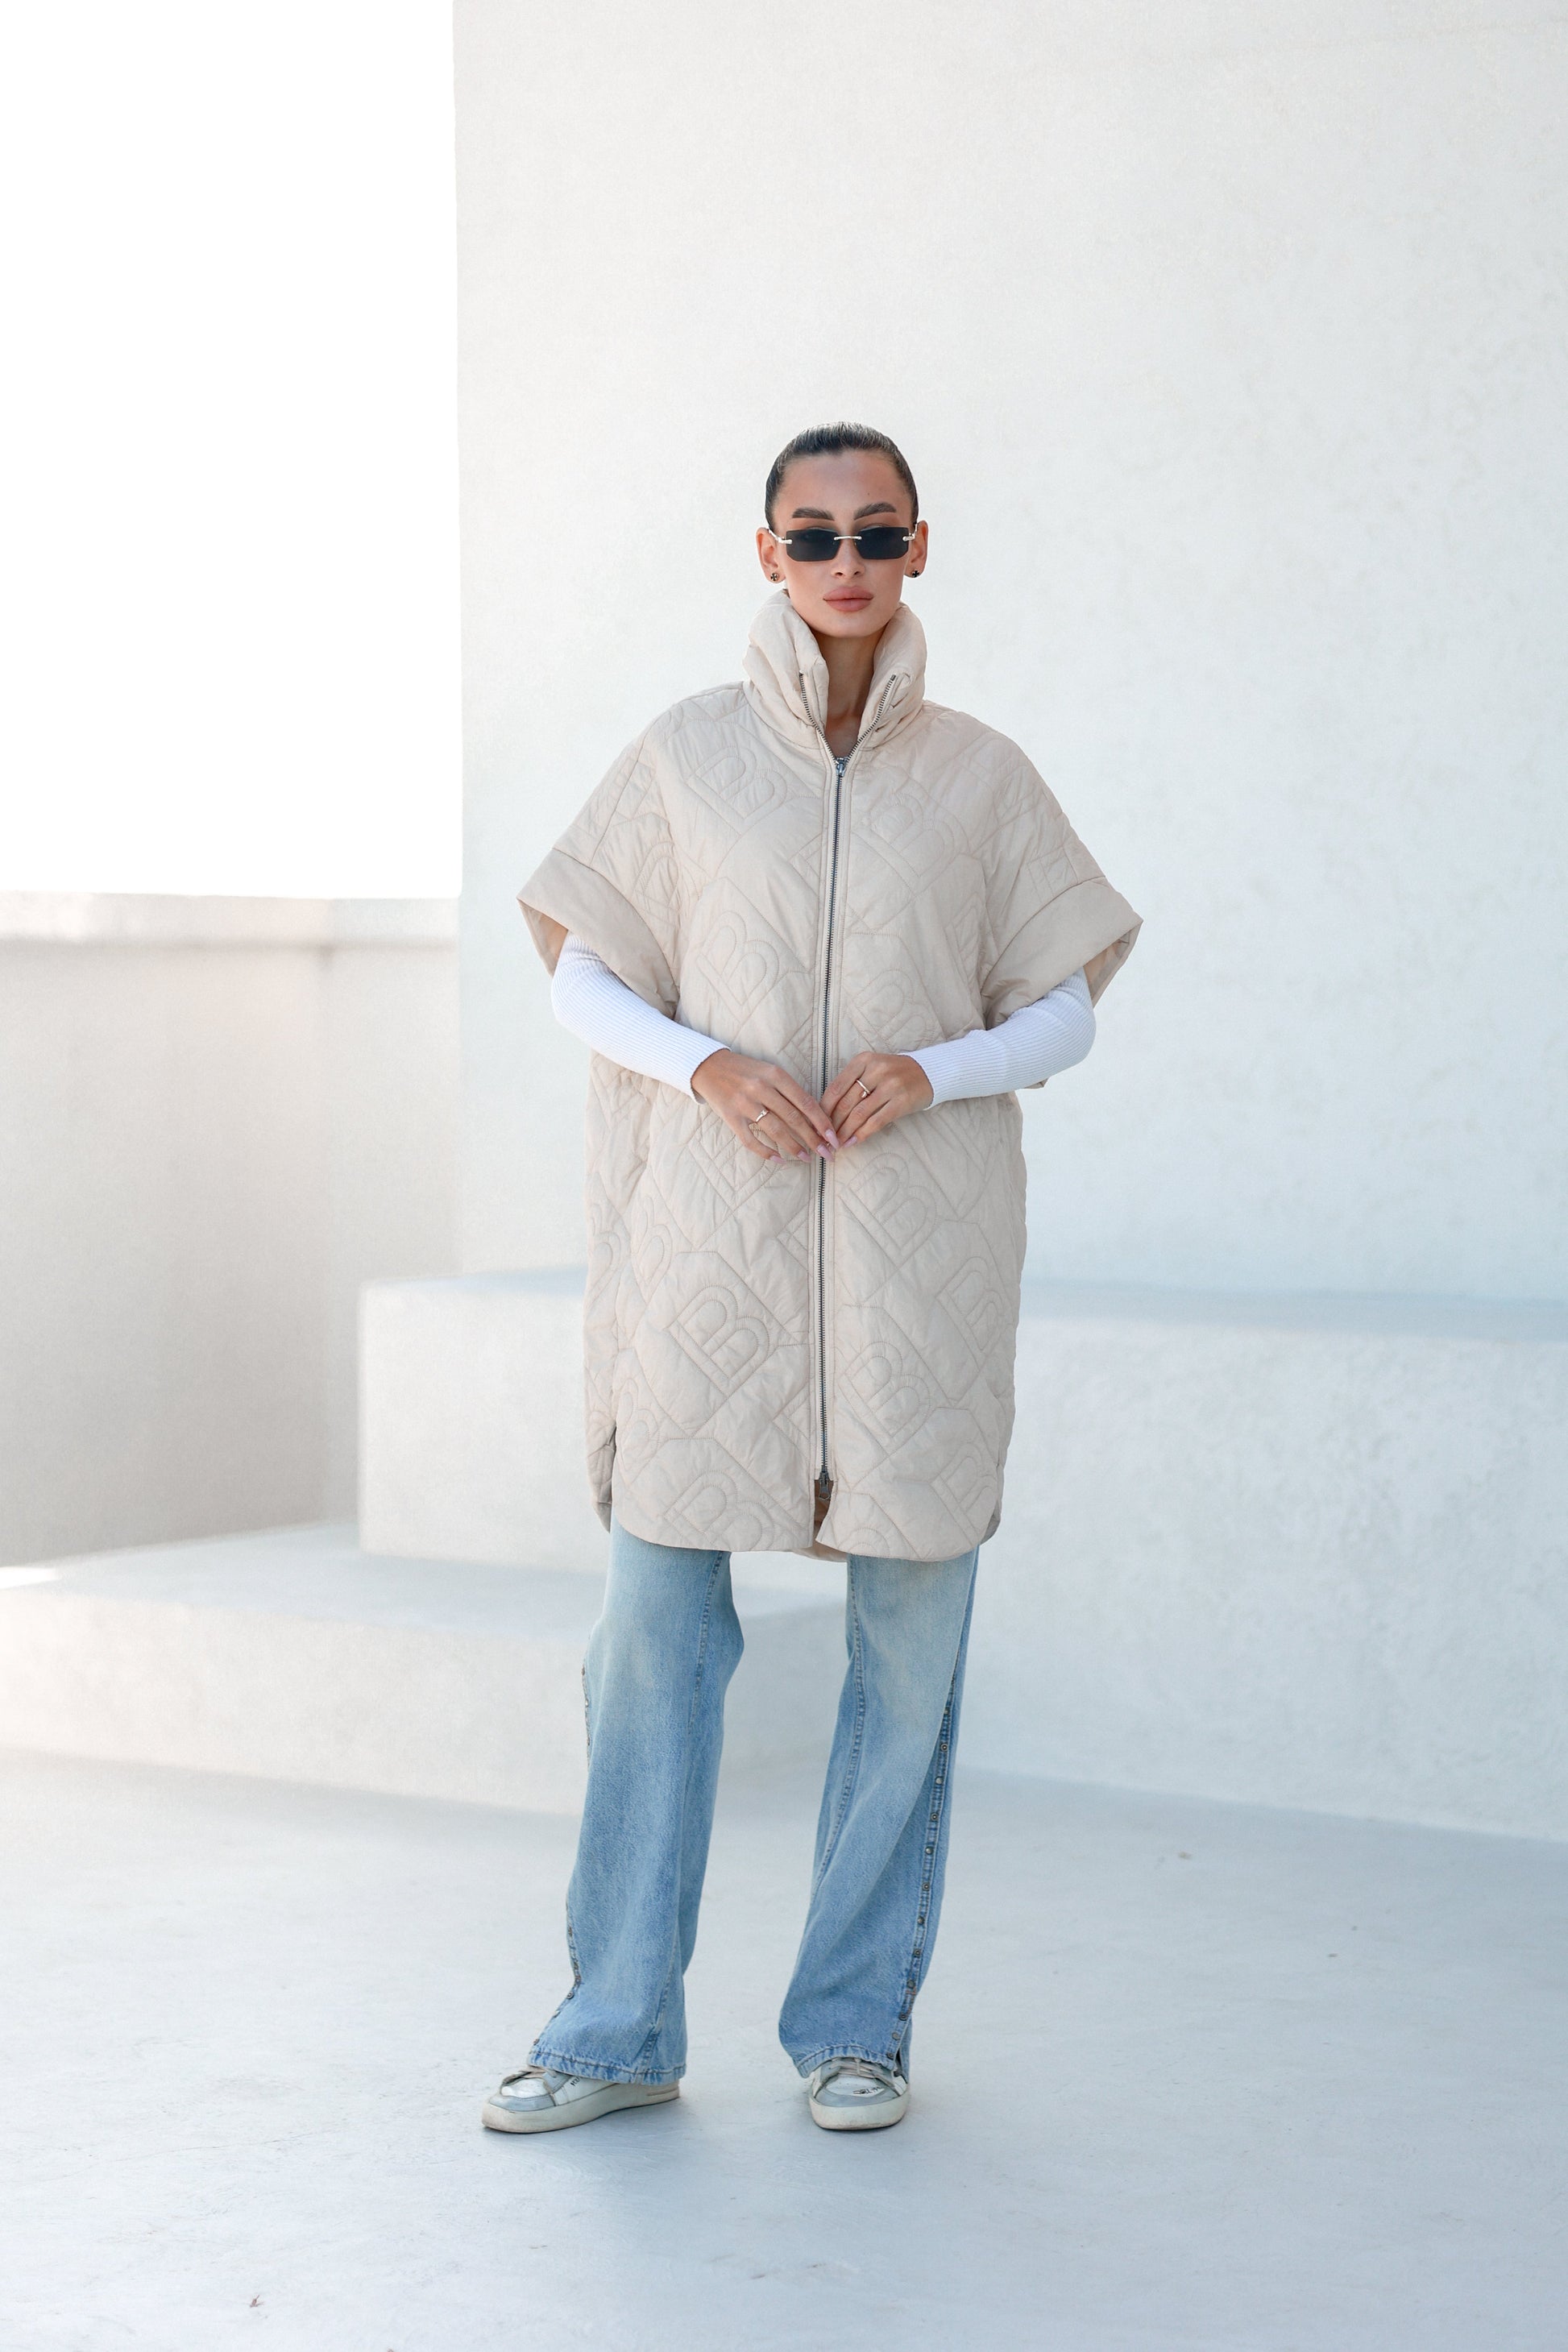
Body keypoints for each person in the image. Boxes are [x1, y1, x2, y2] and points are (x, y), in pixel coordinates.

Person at [487, 422, 1140, 2136]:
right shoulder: (684, 757)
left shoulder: (983, 778)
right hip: (710, 1250)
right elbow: (579, 970)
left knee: (910, 1654)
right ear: (766, 551)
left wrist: (941, 1066)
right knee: (650, 1634)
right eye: (814, 532)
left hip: (919, 1262)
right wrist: (706, 1064)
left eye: (877, 530)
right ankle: (612, 2027)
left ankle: (856, 2026)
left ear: (918, 548)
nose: (846, 560)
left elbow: (1065, 1003)